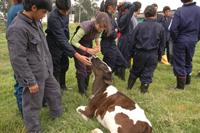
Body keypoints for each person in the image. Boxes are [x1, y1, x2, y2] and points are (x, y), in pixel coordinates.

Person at [7, 0, 63, 132]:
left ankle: (57, 116)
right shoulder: (17, 28)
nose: (44, 15)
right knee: (33, 106)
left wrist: (49, 67)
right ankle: (34, 130)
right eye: (43, 12)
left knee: (55, 93)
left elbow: (43, 47)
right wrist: (30, 81)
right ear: (33, 8)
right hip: (33, 75)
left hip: (46, 70)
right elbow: (17, 59)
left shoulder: (36, 22)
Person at [45, 0, 91, 92]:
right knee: (56, 68)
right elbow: (60, 38)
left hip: (64, 44)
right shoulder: (53, 18)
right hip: (54, 45)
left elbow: (65, 30)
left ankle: (63, 85)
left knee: (64, 65)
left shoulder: (66, 12)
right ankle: (56, 90)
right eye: (63, 11)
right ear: (58, 8)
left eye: (67, 10)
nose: (66, 13)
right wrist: (77, 55)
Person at [71, 12, 111, 95]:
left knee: (89, 67)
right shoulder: (85, 27)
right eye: (100, 27)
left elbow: (97, 36)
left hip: (88, 45)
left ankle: (85, 87)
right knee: (82, 69)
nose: (101, 30)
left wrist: (98, 46)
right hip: (78, 47)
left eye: (103, 28)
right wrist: (87, 49)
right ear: (96, 22)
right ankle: (82, 91)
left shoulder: (100, 28)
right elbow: (73, 41)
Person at [127, 5, 165, 93]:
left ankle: (129, 88)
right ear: (155, 14)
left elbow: (132, 41)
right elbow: (162, 44)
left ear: (145, 14)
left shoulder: (139, 26)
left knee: (135, 70)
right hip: (152, 54)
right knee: (148, 73)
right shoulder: (160, 27)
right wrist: (159, 56)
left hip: (139, 53)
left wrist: (131, 54)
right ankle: (142, 90)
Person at [169, 0, 200, 89]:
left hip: (181, 39)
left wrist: (175, 39)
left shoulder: (179, 11)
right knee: (188, 60)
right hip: (192, 39)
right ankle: (187, 81)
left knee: (179, 62)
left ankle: (180, 86)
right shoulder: (199, 10)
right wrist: (196, 38)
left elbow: (173, 28)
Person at [100, 0, 128, 80]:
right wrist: (115, 31)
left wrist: (116, 30)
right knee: (109, 66)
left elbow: (115, 29)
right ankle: (105, 82)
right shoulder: (105, 16)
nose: (116, 9)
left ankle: (105, 77)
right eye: (115, 7)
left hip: (112, 44)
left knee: (122, 62)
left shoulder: (111, 16)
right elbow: (108, 32)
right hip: (107, 45)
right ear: (110, 7)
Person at [6, 0, 23, 115]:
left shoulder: (13, 9)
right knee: (22, 83)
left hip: (15, 50)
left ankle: (23, 109)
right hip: (21, 52)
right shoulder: (20, 9)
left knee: (19, 82)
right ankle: (24, 111)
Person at [117, 1, 141, 80]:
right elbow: (133, 6)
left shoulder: (120, 15)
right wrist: (125, 3)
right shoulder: (125, 17)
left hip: (123, 39)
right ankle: (121, 76)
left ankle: (119, 73)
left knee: (122, 56)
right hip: (126, 40)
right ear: (125, 10)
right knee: (124, 57)